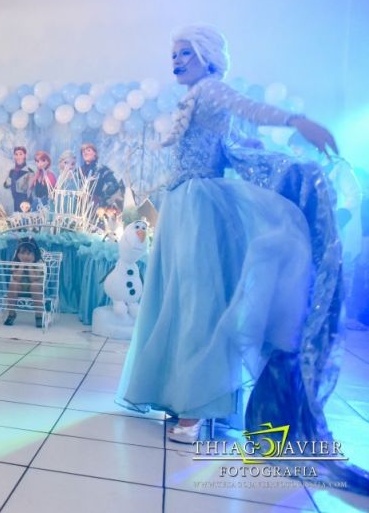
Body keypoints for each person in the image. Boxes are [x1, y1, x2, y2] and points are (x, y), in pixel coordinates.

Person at [117, 25, 367, 489]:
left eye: (186, 52)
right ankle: (176, 394)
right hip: (181, 203)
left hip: (201, 208)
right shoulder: (192, 95)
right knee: (173, 299)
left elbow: (246, 107)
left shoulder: (211, 90)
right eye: (173, 53)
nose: (176, 60)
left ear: (207, 58)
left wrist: (296, 121)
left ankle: (195, 407)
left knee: (197, 300)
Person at [3, 239, 44, 328]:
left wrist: (29, 265)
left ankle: (38, 315)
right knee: (13, 284)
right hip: (20, 289)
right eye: (22, 253)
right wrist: (22, 264)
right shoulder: (15, 262)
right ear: (17, 254)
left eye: (29, 253)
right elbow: (16, 278)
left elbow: (34, 279)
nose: (25, 256)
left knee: (35, 285)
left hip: (35, 291)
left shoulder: (39, 263)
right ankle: (11, 313)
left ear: (35, 254)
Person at [78, 143, 125, 211]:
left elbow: (114, 185)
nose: (85, 152)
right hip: (80, 207)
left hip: (95, 208)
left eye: (88, 150)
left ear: (95, 153)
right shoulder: (78, 171)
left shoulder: (101, 169)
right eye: (83, 151)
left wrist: (100, 198)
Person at [3, 146, 33, 213]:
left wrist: (27, 202)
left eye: (20, 154)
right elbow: (6, 185)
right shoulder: (12, 171)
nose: (18, 157)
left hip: (25, 202)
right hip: (15, 200)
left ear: (25, 155)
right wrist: (9, 178)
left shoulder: (29, 172)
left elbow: (30, 190)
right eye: (16, 154)